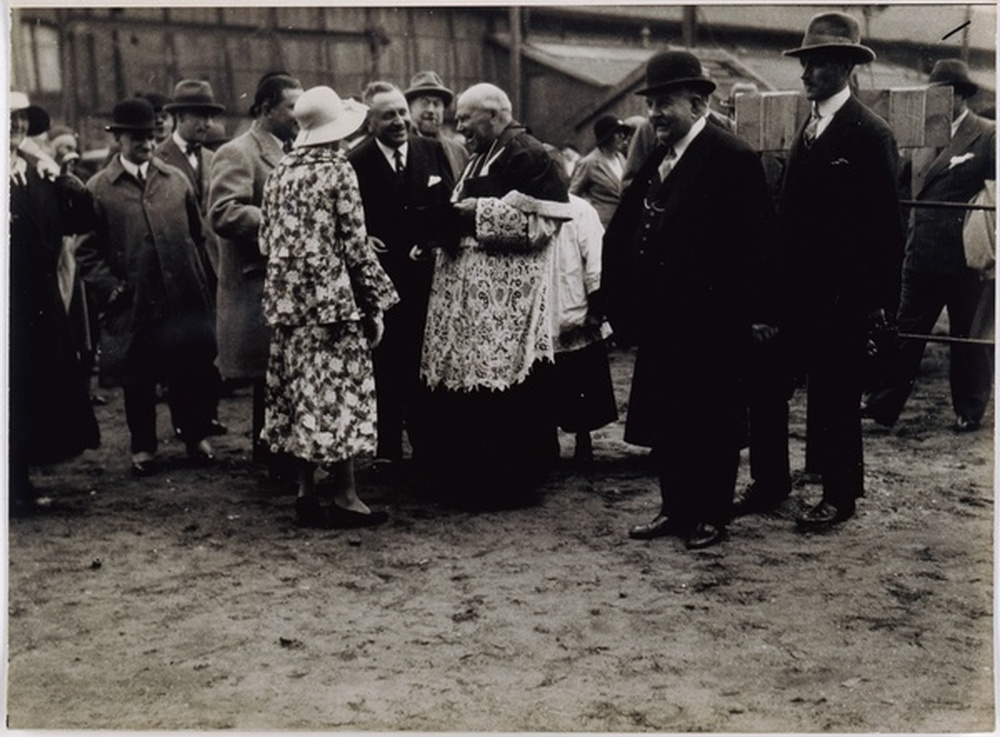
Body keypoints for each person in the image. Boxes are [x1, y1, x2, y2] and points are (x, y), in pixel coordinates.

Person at [601, 50, 775, 550]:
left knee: (712, 418)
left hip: (713, 319)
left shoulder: (732, 156)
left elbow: (759, 242)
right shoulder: (662, 154)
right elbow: (632, 225)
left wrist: (760, 312)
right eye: (652, 103)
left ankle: (711, 515)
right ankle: (675, 509)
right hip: (664, 316)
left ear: (698, 104)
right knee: (670, 416)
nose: (654, 113)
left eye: (665, 103)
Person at [738, 12, 905, 527]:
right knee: (765, 381)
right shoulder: (807, 127)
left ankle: (840, 495)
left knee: (834, 395)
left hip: (841, 297)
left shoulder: (869, 133)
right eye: (805, 63)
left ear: (844, 68)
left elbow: (885, 229)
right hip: (793, 292)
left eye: (816, 64)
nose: (806, 74)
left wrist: (873, 301)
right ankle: (770, 482)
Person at [419, 82, 573, 507]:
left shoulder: (530, 154)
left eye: (466, 119)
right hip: (469, 299)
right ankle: (469, 478)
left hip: (506, 304)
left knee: (504, 394)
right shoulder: (481, 156)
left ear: (493, 114)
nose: (459, 127)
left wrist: (477, 212)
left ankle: (506, 483)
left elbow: (544, 226)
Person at [259, 86, 399, 528]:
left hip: (287, 304)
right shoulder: (338, 169)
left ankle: (305, 491)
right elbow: (355, 243)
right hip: (333, 302)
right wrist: (377, 300)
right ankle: (346, 495)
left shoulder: (281, 170)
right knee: (338, 394)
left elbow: (265, 239)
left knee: (301, 393)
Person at [76, 97, 218, 476]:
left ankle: (194, 436)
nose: (146, 144)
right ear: (119, 139)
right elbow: (86, 250)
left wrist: (198, 279)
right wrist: (110, 288)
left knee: (188, 369)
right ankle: (143, 447)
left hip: (181, 296)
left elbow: (197, 234)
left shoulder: (175, 180)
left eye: (151, 136)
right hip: (134, 298)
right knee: (138, 376)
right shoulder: (99, 188)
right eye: (136, 137)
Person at [863, 59, 996, 433]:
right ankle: (883, 404)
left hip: (964, 258)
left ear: (960, 96)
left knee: (967, 337)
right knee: (905, 333)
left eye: (943, 92)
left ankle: (969, 409)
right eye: (932, 92)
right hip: (919, 254)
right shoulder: (919, 134)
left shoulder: (986, 135)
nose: (935, 99)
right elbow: (899, 184)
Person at [348, 81, 455, 467]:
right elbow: (347, 218)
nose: (398, 121)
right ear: (369, 121)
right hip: (382, 282)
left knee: (427, 364)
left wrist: (433, 239)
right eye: (387, 115)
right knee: (387, 366)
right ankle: (387, 449)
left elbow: (448, 205)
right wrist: (363, 237)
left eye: (400, 112)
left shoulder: (432, 149)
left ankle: (427, 447)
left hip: (428, 277)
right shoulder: (355, 161)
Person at [9, 91, 100, 513]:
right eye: (9, 120)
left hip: (37, 299)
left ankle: (19, 481)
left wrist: (67, 182)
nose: (17, 127)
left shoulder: (34, 173)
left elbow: (77, 222)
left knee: (31, 388)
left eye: (23, 120)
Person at [208, 72, 303, 469]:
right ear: (265, 109)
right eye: (292, 107)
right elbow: (224, 212)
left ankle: (279, 452)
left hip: (287, 283)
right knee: (270, 373)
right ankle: (270, 455)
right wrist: (287, 222)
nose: (300, 115)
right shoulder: (239, 151)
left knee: (284, 372)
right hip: (256, 281)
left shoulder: (294, 149)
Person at [156, 79, 228, 437]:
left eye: (210, 117)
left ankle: (208, 413)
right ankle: (187, 422)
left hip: (213, 263)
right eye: (199, 116)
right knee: (182, 347)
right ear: (178, 117)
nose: (206, 124)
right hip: (178, 266)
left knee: (210, 342)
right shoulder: (159, 159)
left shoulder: (215, 159)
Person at [544, 145, 618, 466]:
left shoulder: (580, 210)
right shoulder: (526, 210)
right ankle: (546, 440)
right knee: (545, 382)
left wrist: (596, 306)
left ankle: (583, 439)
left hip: (575, 305)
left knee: (582, 380)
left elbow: (596, 261)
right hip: (542, 312)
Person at [403, 70, 469, 181]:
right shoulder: (401, 148)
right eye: (424, 103)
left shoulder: (458, 152)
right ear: (410, 109)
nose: (431, 110)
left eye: (437, 104)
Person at [569, 114, 630, 228]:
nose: (622, 136)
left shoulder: (621, 158)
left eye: (623, 133)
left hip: (625, 222)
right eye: (617, 133)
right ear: (607, 136)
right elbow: (573, 195)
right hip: (602, 225)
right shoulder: (589, 163)